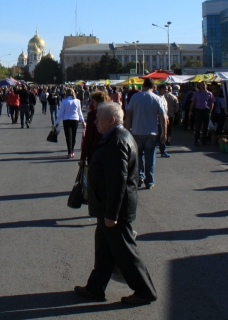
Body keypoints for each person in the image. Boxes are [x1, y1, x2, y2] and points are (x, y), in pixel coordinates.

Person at [75, 102, 158, 307]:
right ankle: (95, 287)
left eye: (98, 118)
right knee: (104, 250)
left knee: (125, 252)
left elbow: (117, 181)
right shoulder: (115, 138)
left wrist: (112, 214)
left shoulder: (117, 142)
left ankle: (145, 291)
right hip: (108, 207)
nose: (94, 122)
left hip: (115, 210)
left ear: (111, 120)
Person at [125, 78, 167, 189]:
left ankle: (139, 176)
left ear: (143, 85)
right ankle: (149, 181)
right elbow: (163, 117)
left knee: (137, 156)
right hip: (151, 132)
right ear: (153, 87)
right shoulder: (157, 98)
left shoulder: (135, 97)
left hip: (137, 131)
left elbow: (128, 114)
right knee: (150, 157)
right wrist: (164, 133)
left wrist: (127, 129)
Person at [80, 90, 110, 165]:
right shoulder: (111, 113)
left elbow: (88, 136)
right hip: (109, 149)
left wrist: (83, 157)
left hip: (95, 149)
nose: (93, 103)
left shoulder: (92, 114)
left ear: (97, 101)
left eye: (93, 101)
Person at [55, 88, 85, 158]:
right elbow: (79, 112)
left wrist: (57, 122)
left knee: (68, 136)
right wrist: (83, 121)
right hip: (75, 119)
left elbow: (61, 112)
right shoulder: (77, 101)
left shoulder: (64, 101)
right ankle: (72, 150)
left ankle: (69, 151)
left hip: (66, 119)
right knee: (73, 136)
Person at [157, 83, 178, 157]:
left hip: (164, 118)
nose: (166, 90)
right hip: (158, 120)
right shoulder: (157, 97)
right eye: (165, 89)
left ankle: (163, 151)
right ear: (160, 89)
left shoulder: (163, 97)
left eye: (167, 89)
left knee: (162, 135)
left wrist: (167, 118)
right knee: (160, 135)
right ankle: (161, 150)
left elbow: (165, 109)